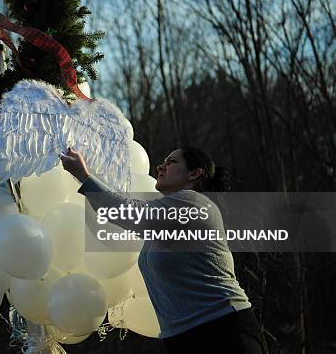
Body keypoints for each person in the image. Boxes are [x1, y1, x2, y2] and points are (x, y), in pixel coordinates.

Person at [60, 146, 266, 354]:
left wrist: (84, 176)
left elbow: (128, 212)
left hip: (222, 330)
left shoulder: (193, 203)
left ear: (195, 173)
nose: (161, 166)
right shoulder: (163, 221)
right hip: (180, 338)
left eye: (172, 162)